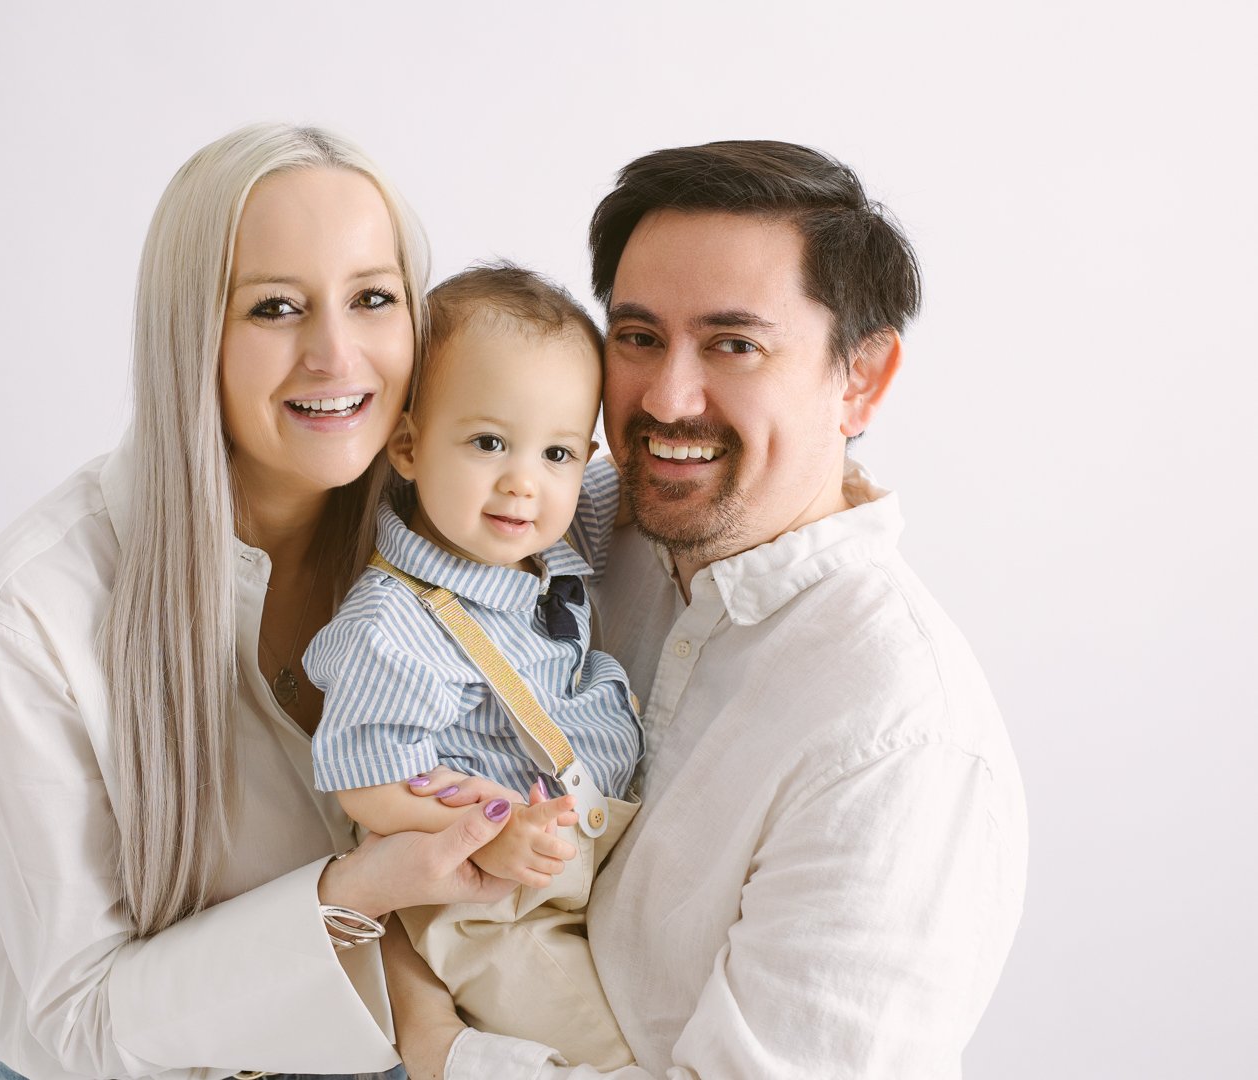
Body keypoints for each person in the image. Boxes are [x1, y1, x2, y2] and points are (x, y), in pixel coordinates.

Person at [387, 140, 1029, 1079]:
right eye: (639, 338)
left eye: (735, 345)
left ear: (862, 379)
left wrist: (438, 1047)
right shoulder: (575, 526)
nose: (667, 398)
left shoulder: (902, 744)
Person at [0, 123, 523, 1080]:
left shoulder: (450, 528)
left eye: (372, 299)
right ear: (191, 332)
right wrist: (355, 891)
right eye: (275, 308)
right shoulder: (22, 624)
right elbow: (84, 1024)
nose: (336, 354)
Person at [304, 265, 643, 1069]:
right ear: (411, 445)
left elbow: (632, 487)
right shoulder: (393, 623)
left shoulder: (548, 537)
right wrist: (483, 835)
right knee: (611, 1056)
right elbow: (365, 779)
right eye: (489, 442)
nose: (524, 481)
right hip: (493, 905)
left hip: (585, 856)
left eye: (557, 451)